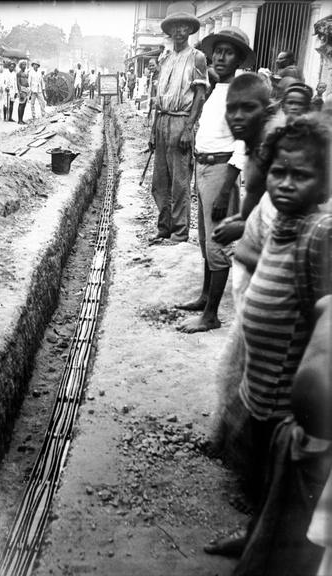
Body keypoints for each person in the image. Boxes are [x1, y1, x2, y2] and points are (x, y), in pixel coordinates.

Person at [207, 114, 332, 561]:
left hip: (286, 405)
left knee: (287, 494)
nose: (285, 183)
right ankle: (253, 535)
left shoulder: (320, 233)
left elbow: (326, 319)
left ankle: (273, 555)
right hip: (259, 390)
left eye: (302, 175)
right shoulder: (283, 222)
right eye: (279, 171)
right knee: (261, 478)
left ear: (324, 182)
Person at [176, 26, 255, 333]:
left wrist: (225, 191)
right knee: (206, 241)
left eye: (229, 52)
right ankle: (206, 296)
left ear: (239, 59)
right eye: (218, 51)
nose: (221, 57)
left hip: (222, 172)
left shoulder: (242, 91)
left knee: (217, 245)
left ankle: (211, 316)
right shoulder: (216, 87)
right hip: (204, 168)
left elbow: (243, 144)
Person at [148, 2, 207, 248]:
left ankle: (180, 232)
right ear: (170, 30)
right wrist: (153, 130)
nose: (179, 31)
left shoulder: (197, 57)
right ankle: (164, 228)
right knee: (160, 182)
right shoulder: (165, 58)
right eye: (175, 26)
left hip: (181, 121)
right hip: (162, 120)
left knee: (180, 182)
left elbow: (200, 96)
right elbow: (159, 97)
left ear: (190, 30)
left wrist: (188, 128)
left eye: (184, 26)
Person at [16, 60, 29, 124]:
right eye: (23, 64)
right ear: (20, 66)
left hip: (26, 89)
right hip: (22, 89)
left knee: (24, 105)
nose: (24, 66)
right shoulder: (19, 73)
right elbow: (18, 82)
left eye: (25, 65)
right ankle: (19, 120)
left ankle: (21, 119)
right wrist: (20, 91)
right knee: (21, 104)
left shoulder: (26, 73)